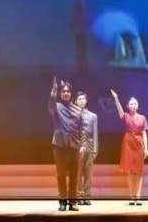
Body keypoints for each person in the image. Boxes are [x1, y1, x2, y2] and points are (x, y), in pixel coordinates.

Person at [48, 77, 82, 211]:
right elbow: (51, 105)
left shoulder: (77, 109)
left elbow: (80, 129)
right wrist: (53, 91)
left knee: (74, 175)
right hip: (60, 145)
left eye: (68, 91)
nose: (66, 93)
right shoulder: (56, 106)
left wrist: (82, 145)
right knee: (61, 175)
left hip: (74, 145)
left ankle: (73, 202)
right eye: (63, 91)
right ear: (60, 94)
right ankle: (62, 202)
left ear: (71, 94)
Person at [110, 89, 148, 206]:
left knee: (139, 171)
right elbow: (120, 110)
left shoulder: (142, 117)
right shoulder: (125, 116)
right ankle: (132, 197)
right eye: (131, 104)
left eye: (135, 103)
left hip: (139, 144)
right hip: (128, 144)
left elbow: (144, 133)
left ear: (138, 105)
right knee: (130, 171)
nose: (134, 105)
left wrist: (146, 148)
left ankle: (138, 197)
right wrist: (116, 98)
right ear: (128, 106)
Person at [75, 91, 98, 205]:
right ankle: (79, 195)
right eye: (79, 99)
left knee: (88, 173)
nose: (81, 101)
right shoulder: (73, 114)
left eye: (83, 99)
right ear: (75, 101)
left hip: (89, 146)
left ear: (86, 101)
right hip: (77, 147)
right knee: (78, 172)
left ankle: (87, 196)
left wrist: (95, 149)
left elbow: (95, 134)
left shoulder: (93, 116)